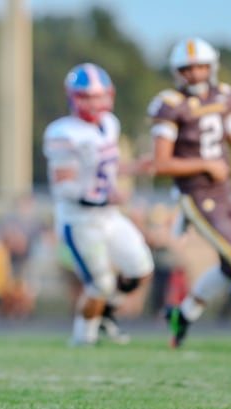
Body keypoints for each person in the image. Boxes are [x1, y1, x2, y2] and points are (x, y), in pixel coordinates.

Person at [147, 37, 231, 348]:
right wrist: (205, 164)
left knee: (229, 265)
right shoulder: (171, 105)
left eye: (200, 67)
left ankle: (181, 316)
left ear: (211, 68)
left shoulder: (224, 97)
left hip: (224, 192)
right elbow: (161, 162)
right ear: (177, 72)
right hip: (196, 194)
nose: (195, 74)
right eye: (188, 69)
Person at [43, 62, 155, 347]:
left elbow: (107, 168)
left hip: (109, 215)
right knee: (100, 283)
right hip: (79, 219)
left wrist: (134, 168)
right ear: (73, 97)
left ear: (109, 95)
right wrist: (105, 196)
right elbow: (65, 186)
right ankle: (83, 339)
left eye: (99, 95)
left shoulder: (110, 124)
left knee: (140, 268)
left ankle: (105, 313)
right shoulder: (63, 133)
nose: (94, 103)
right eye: (87, 97)